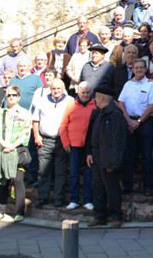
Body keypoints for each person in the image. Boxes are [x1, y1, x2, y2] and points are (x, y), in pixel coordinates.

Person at [86, 82, 129, 228]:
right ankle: (99, 216)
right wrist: (90, 152)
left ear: (103, 98)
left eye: (96, 97)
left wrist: (113, 163)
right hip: (97, 156)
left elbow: (118, 141)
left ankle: (115, 216)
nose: (94, 100)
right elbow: (92, 135)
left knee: (112, 188)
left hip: (109, 158)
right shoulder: (98, 113)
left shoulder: (115, 115)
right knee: (97, 187)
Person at [0, 85, 32, 222]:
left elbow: (26, 134)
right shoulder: (0, 113)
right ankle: (0, 210)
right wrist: (4, 145)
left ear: (18, 97)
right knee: (2, 181)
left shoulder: (25, 113)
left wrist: (12, 146)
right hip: (2, 150)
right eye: (9, 95)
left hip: (17, 151)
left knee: (18, 180)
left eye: (14, 95)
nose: (11, 97)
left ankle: (19, 212)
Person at [118, 59, 153, 196]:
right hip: (129, 121)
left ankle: (148, 187)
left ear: (145, 69)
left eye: (142, 67)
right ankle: (127, 186)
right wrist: (128, 120)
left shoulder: (150, 85)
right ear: (133, 69)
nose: (139, 70)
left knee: (147, 155)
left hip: (145, 122)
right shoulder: (127, 84)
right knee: (128, 155)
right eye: (136, 67)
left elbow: (152, 106)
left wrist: (139, 121)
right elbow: (121, 103)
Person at [33, 78, 72, 208]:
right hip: (45, 140)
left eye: (58, 89)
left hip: (61, 141)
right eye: (54, 88)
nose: (56, 91)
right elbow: (35, 120)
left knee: (60, 172)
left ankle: (58, 199)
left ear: (63, 89)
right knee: (43, 171)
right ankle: (42, 198)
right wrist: (37, 136)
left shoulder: (69, 101)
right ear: (50, 89)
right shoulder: (42, 100)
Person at [60, 81, 96, 211]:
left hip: (89, 147)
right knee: (74, 173)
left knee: (89, 174)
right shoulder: (71, 105)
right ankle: (74, 200)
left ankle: (87, 200)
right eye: (83, 92)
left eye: (87, 92)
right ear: (78, 92)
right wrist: (65, 142)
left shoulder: (95, 106)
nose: (85, 95)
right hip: (74, 145)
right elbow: (63, 125)